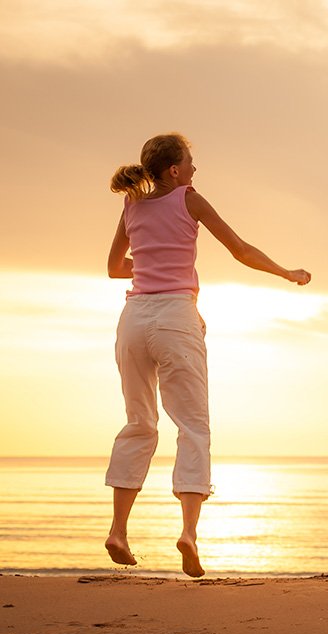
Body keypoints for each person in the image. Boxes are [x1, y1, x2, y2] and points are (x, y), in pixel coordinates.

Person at [105, 133, 311, 578]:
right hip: (176, 317)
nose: (195, 169)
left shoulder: (131, 205)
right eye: (190, 162)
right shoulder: (189, 198)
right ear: (174, 171)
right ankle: (189, 534)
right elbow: (240, 250)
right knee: (193, 425)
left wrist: (153, 264)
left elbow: (114, 268)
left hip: (133, 318)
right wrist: (286, 272)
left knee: (139, 422)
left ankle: (119, 531)